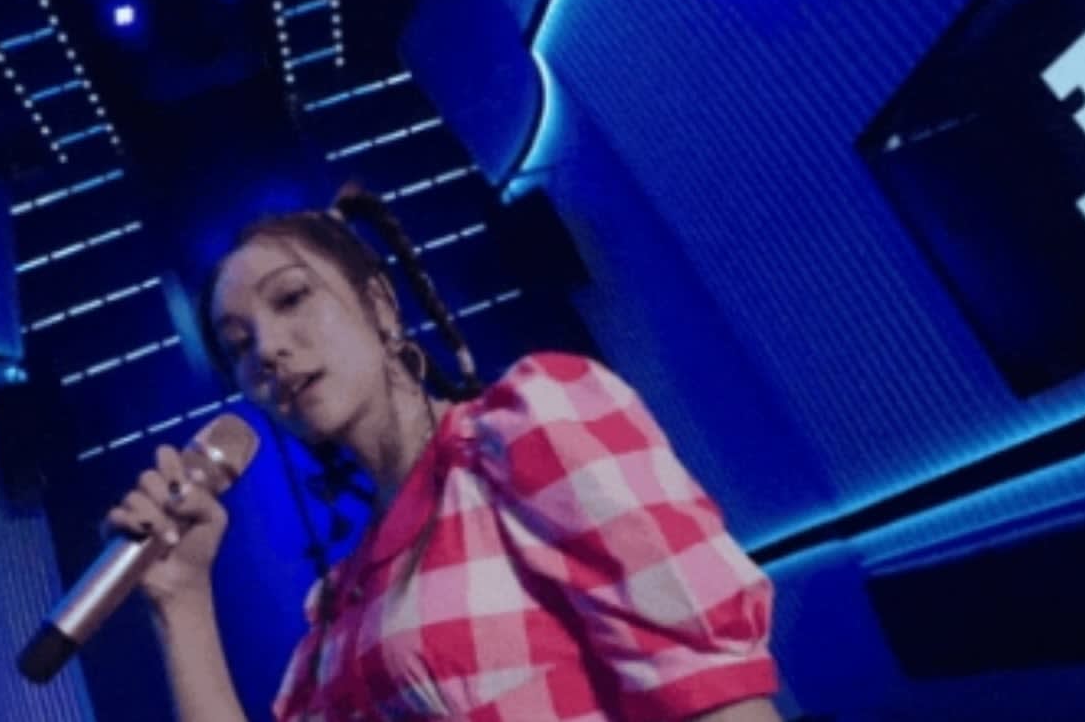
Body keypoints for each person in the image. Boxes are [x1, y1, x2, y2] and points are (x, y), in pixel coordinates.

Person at [104, 184, 781, 721]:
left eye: (292, 298)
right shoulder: (339, 610)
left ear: (379, 305)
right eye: (238, 345)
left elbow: (717, 698)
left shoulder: (529, 429)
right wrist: (180, 599)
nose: (269, 349)